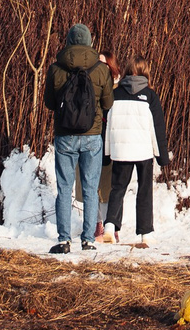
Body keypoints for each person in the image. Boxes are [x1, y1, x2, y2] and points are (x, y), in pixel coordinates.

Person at [42, 22, 112, 253]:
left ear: (69, 41)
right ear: (90, 42)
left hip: (65, 135)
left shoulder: (55, 69)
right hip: (92, 135)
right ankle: (88, 239)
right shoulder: (101, 69)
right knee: (91, 188)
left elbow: (49, 103)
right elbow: (108, 103)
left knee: (64, 187)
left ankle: (64, 240)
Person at [99, 58, 172, 245]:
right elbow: (157, 128)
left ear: (127, 71)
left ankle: (109, 227)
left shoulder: (115, 94)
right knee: (144, 190)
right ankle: (145, 233)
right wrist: (162, 157)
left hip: (121, 150)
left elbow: (106, 125)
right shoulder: (150, 96)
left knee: (117, 188)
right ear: (145, 72)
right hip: (143, 150)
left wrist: (106, 155)